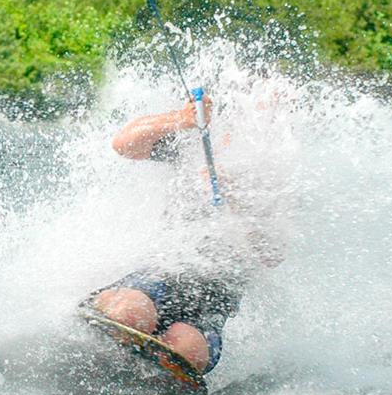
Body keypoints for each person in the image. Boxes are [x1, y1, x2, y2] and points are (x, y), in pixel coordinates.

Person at [84, 90, 283, 374]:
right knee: (131, 313)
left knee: (188, 350)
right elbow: (123, 144)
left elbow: (273, 254)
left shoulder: (271, 177)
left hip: (214, 297)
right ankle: (105, 307)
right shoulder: (193, 145)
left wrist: (236, 201)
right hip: (163, 273)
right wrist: (180, 119)